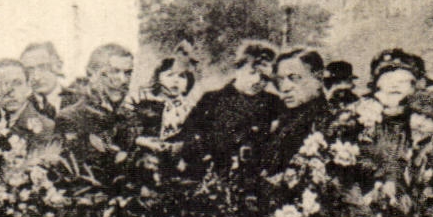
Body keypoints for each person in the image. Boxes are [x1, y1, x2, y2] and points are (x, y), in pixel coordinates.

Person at [173, 41, 280, 175]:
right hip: (213, 175)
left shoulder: (274, 104)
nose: (258, 81)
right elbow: (186, 135)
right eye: (252, 72)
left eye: (265, 78)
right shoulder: (211, 100)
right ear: (238, 68)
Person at [354, 49, 433, 186]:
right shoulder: (364, 117)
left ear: (414, 87)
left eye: (402, 81)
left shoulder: (422, 122)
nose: (394, 85)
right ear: (377, 85)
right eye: (388, 80)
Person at [255, 48, 332, 176]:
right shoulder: (285, 119)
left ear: (318, 79)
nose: (285, 88)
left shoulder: (327, 122)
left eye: (294, 78)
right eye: (281, 80)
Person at [58, 43, 137, 155]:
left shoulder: (129, 117)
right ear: (91, 74)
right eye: (114, 72)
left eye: (128, 73)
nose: (123, 80)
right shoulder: (70, 117)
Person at [10, 42, 69, 152]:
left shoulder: (79, 100)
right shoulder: (20, 110)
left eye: (43, 67)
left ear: (57, 66)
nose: (36, 77)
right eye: (30, 70)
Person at [141, 55, 200, 140]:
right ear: (158, 78)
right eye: (170, 75)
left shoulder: (191, 109)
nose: (176, 80)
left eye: (182, 76)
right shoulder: (146, 103)